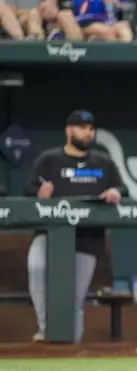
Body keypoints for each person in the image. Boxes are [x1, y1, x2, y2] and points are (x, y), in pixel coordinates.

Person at [24, 110, 128, 343]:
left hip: (87, 237)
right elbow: (28, 191)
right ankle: (44, 329)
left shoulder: (103, 162)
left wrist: (114, 192)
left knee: (74, 297)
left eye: (90, 128)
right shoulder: (49, 159)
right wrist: (40, 193)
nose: (87, 132)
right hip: (50, 233)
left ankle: (71, 345)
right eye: (82, 128)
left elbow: (122, 189)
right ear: (68, 130)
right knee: (37, 268)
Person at [66, 0, 132, 42]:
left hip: (108, 23)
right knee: (108, 35)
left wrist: (116, 3)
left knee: (123, 28)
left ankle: (127, 57)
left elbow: (126, 7)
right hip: (85, 24)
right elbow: (80, 14)